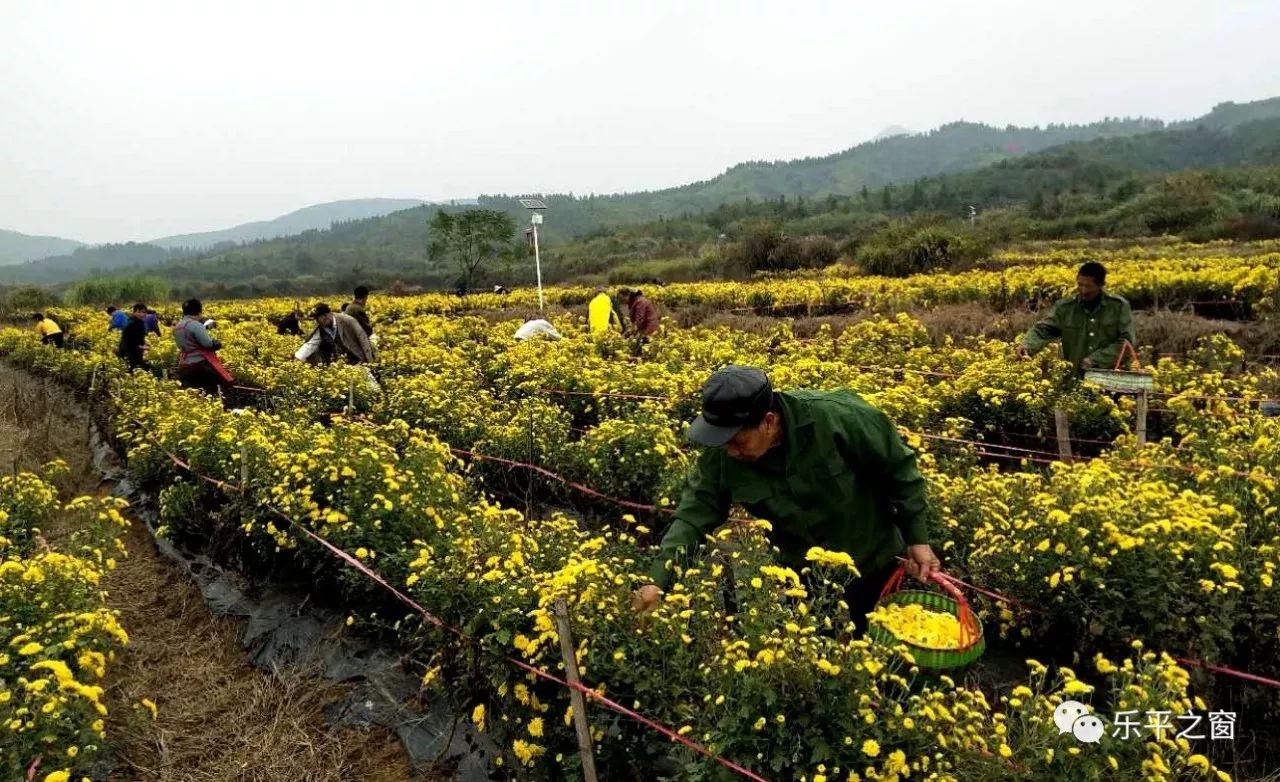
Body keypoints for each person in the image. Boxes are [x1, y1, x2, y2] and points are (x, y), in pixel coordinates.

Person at [632, 366, 940, 637]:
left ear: (768, 421)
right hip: (804, 574)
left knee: (884, 646)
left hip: (873, 561)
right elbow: (692, 516)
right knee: (817, 648)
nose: (730, 452)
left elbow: (898, 468)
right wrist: (658, 580)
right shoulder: (722, 455)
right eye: (723, 442)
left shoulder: (837, 417)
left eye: (738, 442)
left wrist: (917, 538)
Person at [1017, 261, 1136, 374]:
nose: (1083, 291)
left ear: (1101, 285)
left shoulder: (1118, 307)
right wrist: (1027, 345)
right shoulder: (1065, 308)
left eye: (1088, 286)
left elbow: (1126, 341)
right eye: (1080, 285)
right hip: (1075, 378)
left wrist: (1096, 360)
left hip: (1111, 378)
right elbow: (1043, 330)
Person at [173, 298, 234, 396]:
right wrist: (217, 343)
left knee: (192, 394)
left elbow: (180, 345)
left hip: (184, 364)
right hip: (199, 365)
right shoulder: (195, 325)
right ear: (199, 311)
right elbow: (208, 344)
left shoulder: (178, 326)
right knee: (213, 389)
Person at [295, 303, 376, 365]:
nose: (317, 322)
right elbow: (311, 344)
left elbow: (363, 339)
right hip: (342, 363)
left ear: (325, 316)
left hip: (358, 357)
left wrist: (369, 362)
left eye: (317, 319)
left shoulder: (347, 320)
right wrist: (298, 359)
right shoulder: (322, 328)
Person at [117, 303, 150, 371]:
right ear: (134, 312)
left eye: (143, 312)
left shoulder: (138, 322)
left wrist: (144, 343)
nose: (141, 314)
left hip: (134, 351)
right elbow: (130, 341)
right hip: (129, 352)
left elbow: (138, 337)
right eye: (139, 312)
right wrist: (142, 347)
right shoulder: (132, 323)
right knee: (135, 370)